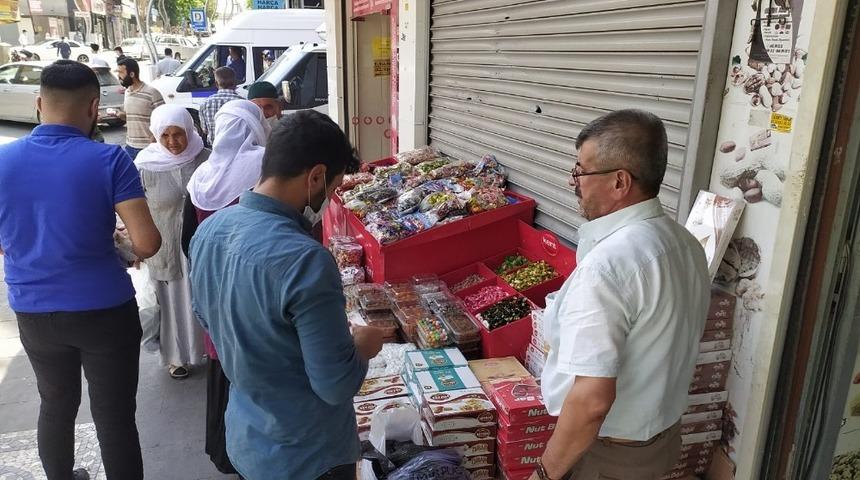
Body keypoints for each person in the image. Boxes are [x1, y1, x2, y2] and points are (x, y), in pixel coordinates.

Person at [189, 109, 384, 480]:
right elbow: (334, 385)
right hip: (307, 455)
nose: (329, 197)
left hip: (248, 437)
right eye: (333, 186)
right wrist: (362, 345)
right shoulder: (305, 260)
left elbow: (208, 318)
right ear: (315, 177)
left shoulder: (211, 230)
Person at [0, 60, 160, 480]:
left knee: (55, 404)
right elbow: (147, 243)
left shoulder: (3, 161)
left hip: (35, 311)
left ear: (39, 104)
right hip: (105, 310)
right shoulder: (109, 160)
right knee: (114, 417)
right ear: (93, 107)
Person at [532, 110, 710, 480]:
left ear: (619, 182)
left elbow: (592, 402)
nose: (572, 181)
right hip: (660, 441)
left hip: (607, 455)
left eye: (581, 171)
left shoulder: (608, 267)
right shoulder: (685, 243)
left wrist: (545, 474)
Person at [185, 99, 269, 475]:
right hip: (253, 281)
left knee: (222, 359)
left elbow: (188, 236)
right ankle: (253, 453)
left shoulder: (202, 175)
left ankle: (223, 450)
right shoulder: (263, 165)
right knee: (253, 367)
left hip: (212, 278)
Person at [134, 105, 209, 380]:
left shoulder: (206, 159)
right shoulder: (144, 165)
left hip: (200, 245)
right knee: (169, 302)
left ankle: (208, 350)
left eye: (178, 134)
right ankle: (176, 358)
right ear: (155, 135)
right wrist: (137, 244)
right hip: (163, 245)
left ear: (189, 131)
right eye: (164, 135)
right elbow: (133, 207)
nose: (172, 142)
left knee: (201, 297)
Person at [117, 57, 164, 160]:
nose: (119, 76)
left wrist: (154, 138)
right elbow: (133, 117)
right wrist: (122, 115)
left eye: (121, 72)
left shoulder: (152, 92)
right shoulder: (127, 92)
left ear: (132, 74)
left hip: (148, 148)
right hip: (130, 146)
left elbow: (164, 119)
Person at [198, 67, 241, 146]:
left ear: (216, 84)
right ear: (235, 83)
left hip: (214, 149)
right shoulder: (243, 103)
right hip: (238, 149)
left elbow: (205, 130)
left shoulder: (205, 104)